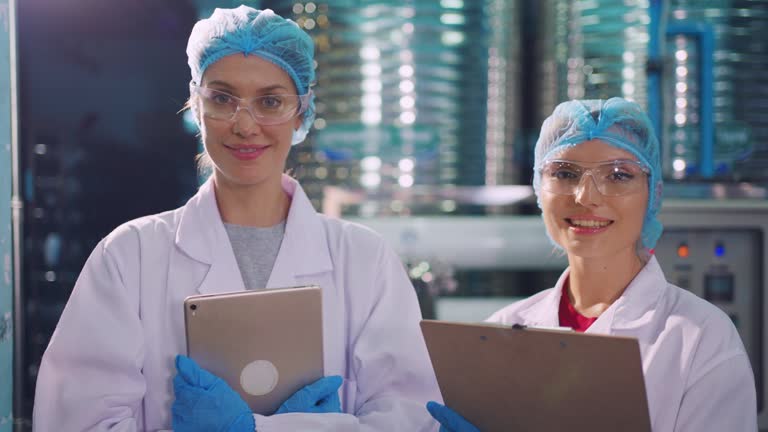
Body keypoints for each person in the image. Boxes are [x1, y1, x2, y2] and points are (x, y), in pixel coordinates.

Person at [33, 6, 441, 431]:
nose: (245, 125)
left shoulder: (364, 259)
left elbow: (411, 417)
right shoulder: (129, 256)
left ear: (301, 112)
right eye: (223, 98)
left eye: (270, 101)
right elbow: (75, 420)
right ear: (196, 104)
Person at [426, 98, 757, 432]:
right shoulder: (499, 331)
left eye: (617, 175)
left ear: (653, 194)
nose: (586, 196)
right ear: (540, 190)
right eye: (565, 173)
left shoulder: (699, 338)